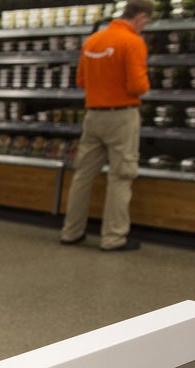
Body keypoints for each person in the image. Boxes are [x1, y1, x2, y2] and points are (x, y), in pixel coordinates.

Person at [61, 0, 154, 251]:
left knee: (82, 175)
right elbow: (137, 86)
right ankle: (113, 238)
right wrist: (145, 84)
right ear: (141, 18)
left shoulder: (94, 40)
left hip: (93, 116)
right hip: (121, 116)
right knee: (121, 176)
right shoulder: (133, 42)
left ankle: (71, 231)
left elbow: (81, 80)